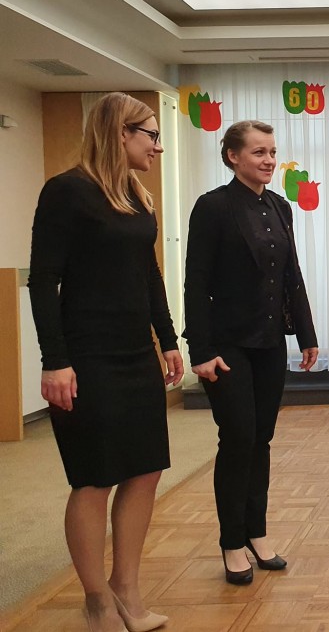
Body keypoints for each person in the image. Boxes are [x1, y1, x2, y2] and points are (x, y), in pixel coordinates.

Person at [28, 92, 182, 632]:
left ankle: (126, 589)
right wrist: (55, 360)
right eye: (152, 135)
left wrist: (167, 339)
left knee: (146, 469)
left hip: (135, 352)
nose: (158, 147)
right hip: (86, 356)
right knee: (95, 478)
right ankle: (96, 600)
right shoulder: (67, 191)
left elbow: (149, 274)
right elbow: (43, 281)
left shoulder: (138, 196)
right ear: (121, 133)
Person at [183, 120, 318, 584]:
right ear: (232, 156)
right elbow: (196, 282)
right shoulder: (213, 206)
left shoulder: (280, 206)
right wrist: (199, 350)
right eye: (259, 152)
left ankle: (257, 533)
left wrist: (305, 334)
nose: (269, 160)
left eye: (272, 152)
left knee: (261, 438)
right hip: (225, 345)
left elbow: (290, 275)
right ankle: (231, 541)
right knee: (238, 437)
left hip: (269, 342)